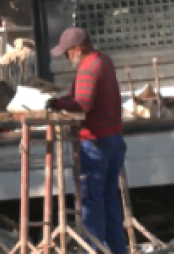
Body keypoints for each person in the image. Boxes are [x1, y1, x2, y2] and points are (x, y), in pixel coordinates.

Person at [45, 27, 126, 254]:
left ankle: (94, 250)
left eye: (67, 53)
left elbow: (83, 103)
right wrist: (63, 99)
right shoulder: (103, 60)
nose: (67, 58)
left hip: (96, 143)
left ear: (78, 49)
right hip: (113, 140)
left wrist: (58, 104)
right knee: (109, 203)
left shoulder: (88, 68)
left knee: (91, 205)